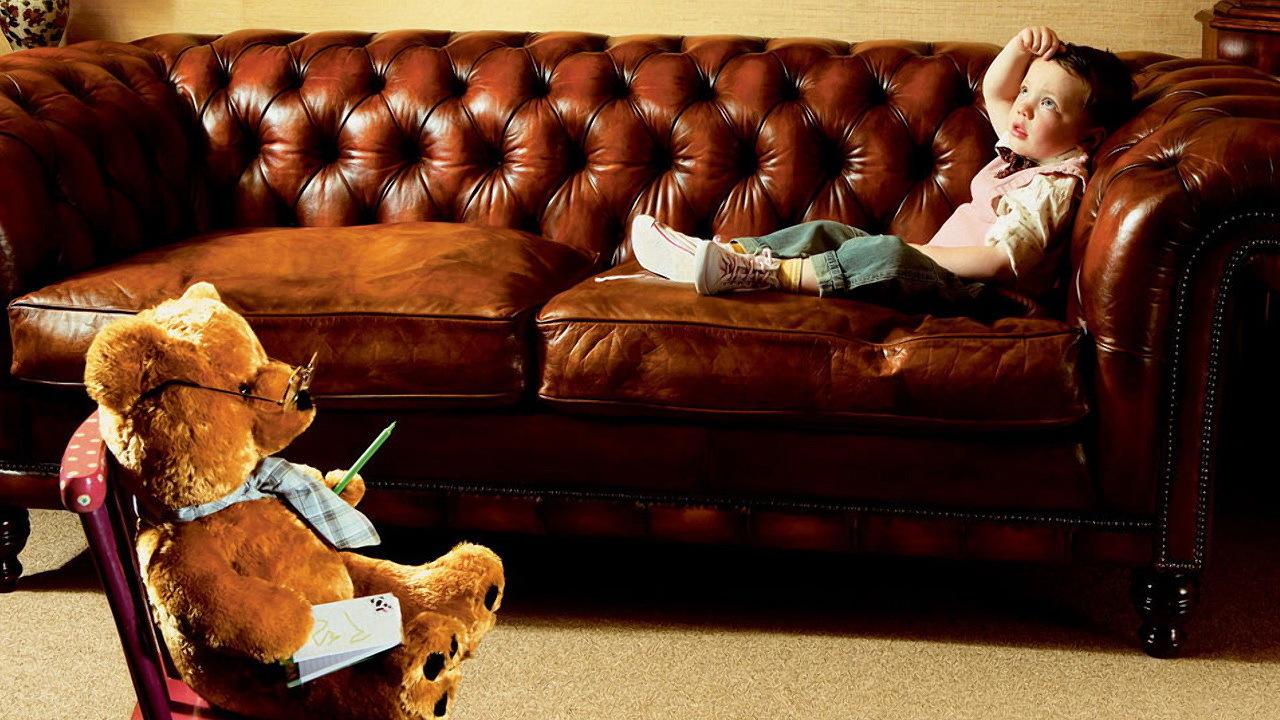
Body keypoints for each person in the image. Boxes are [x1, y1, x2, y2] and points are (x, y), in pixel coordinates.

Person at [626, 26, 1136, 308]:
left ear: (1088, 137)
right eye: (1028, 90)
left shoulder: (1051, 185)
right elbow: (995, 91)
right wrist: (1020, 47)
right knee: (831, 231)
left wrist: (921, 255)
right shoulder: (1029, 146)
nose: (1022, 107)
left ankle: (763, 273)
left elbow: (1001, 263)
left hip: (982, 293)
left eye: (1048, 103)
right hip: (942, 268)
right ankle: (724, 254)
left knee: (885, 253)